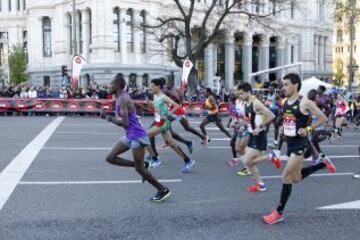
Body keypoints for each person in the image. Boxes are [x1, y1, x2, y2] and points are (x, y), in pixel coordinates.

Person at [262, 73, 336, 225]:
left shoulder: (305, 102)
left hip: (301, 144)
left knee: (285, 177)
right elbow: (289, 119)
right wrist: (283, 127)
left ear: (296, 85)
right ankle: (322, 164)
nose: (284, 87)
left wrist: (308, 129)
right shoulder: (285, 102)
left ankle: (279, 213)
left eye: (286, 84)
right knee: (296, 178)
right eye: (283, 84)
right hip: (290, 143)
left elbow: (323, 118)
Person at [100, 73, 170, 202]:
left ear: (118, 85)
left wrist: (108, 117)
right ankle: (143, 164)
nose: (109, 85)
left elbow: (125, 123)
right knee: (110, 158)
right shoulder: (122, 97)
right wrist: (138, 108)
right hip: (130, 135)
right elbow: (134, 107)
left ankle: (162, 189)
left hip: (137, 135)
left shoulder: (122, 99)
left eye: (112, 83)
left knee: (139, 169)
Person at [237, 83, 281, 192]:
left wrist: (260, 127)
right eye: (239, 94)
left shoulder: (256, 103)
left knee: (247, 161)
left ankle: (270, 157)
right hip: (252, 135)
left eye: (241, 93)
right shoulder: (246, 103)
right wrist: (241, 125)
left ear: (248, 92)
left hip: (259, 136)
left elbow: (271, 115)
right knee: (250, 163)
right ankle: (261, 184)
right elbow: (250, 120)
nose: (240, 96)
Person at [146, 78, 195, 173]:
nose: (150, 88)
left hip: (162, 122)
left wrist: (169, 113)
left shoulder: (163, 97)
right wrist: (150, 105)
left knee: (143, 136)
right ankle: (188, 160)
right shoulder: (155, 96)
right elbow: (155, 110)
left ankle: (155, 159)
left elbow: (177, 105)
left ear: (158, 87)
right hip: (159, 121)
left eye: (152, 86)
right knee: (172, 144)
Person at [307, 89, 332, 161]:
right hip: (310, 124)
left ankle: (327, 134)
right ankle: (319, 155)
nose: (308, 94)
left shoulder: (318, 102)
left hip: (318, 123)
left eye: (310, 93)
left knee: (313, 140)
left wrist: (323, 116)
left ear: (314, 95)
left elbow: (329, 110)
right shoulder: (307, 102)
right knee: (308, 140)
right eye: (308, 93)